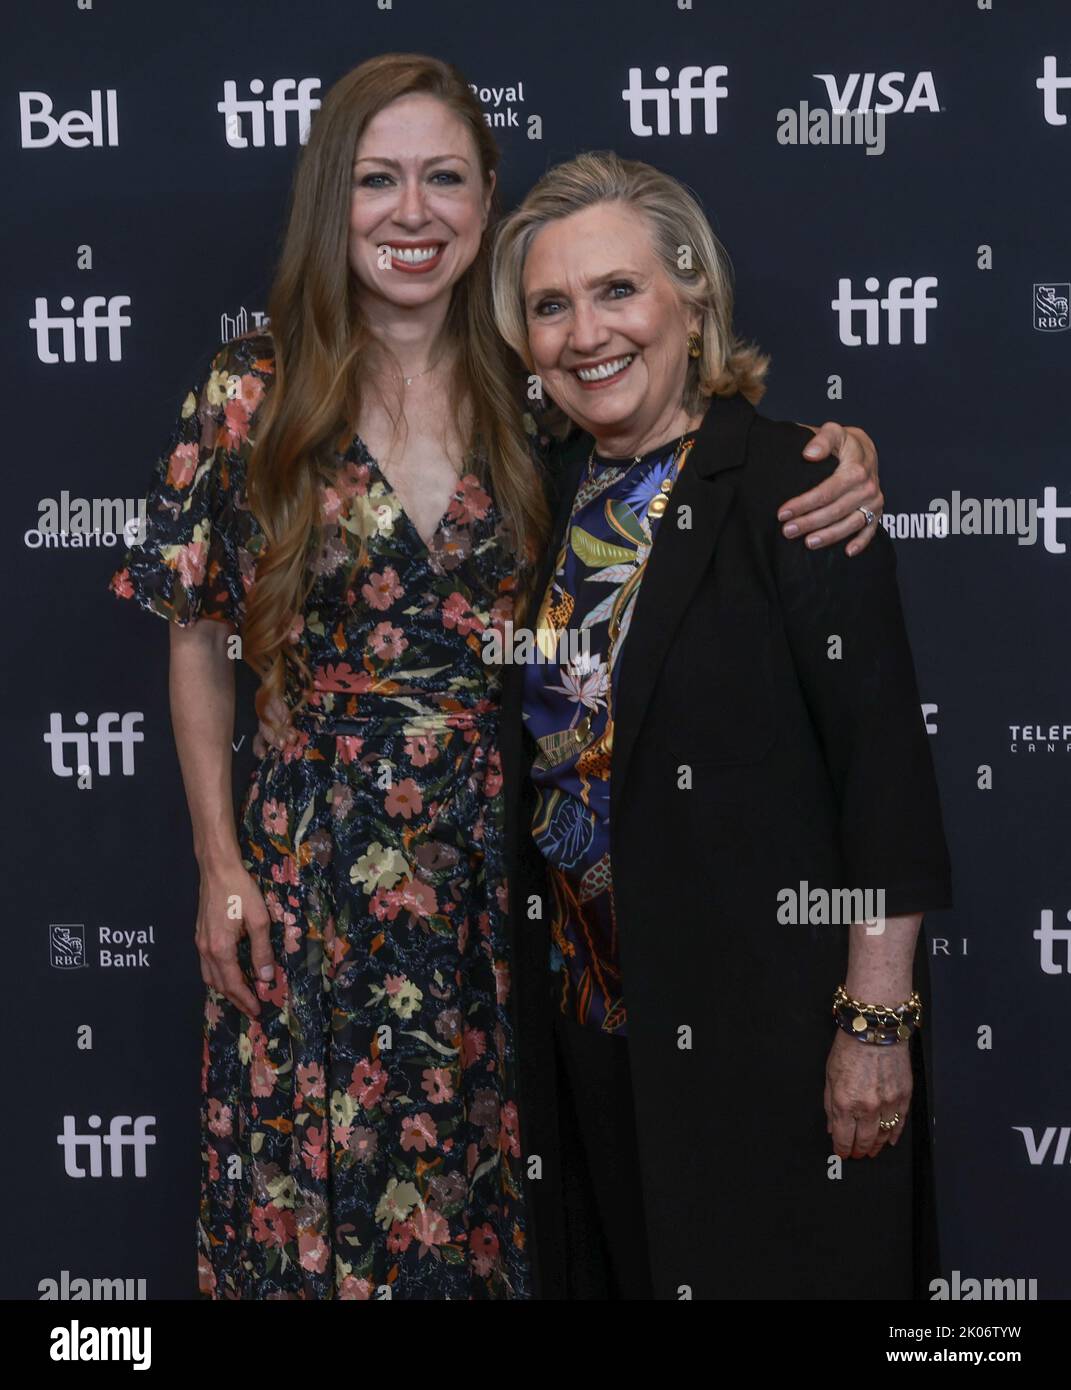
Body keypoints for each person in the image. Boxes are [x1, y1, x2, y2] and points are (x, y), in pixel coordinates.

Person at [109, 54, 884, 1300]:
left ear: (484, 203)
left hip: (515, 878)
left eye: (444, 179)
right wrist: (218, 864)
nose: (410, 213)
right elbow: (194, 633)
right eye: (377, 179)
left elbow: (693, 446)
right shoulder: (249, 393)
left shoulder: (542, 394)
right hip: (314, 878)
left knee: (510, 1217)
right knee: (314, 1213)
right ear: (331, 198)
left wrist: (837, 452)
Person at [489, 150, 953, 1300]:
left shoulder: (798, 485)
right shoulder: (534, 499)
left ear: (691, 304)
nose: (586, 331)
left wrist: (877, 1025)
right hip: (590, 1040)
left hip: (777, 1048)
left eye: (618, 291)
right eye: (551, 305)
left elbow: (880, 773)